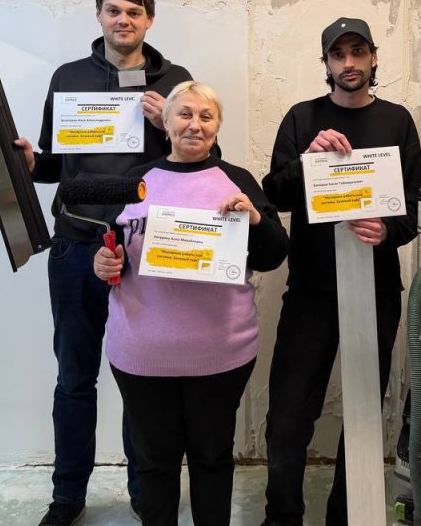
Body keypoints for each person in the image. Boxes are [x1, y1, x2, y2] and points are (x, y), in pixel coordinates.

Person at [14, 0, 196, 526]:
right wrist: (31, 163)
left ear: (149, 20)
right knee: (74, 378)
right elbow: (55, 165)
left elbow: (196, 159)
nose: (124, 20)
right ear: (98, 15)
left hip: (147, 248)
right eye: (114, 10)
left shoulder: (176, 81)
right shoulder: (68, 78)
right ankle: (67, 497)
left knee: (144, 380)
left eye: (134, 12)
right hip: (75, 245)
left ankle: (146, 493)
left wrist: (166, 123)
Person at [92, 81, 289, 526]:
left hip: (220, 355)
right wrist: (102, 263)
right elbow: (108, 252)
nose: (194, 125)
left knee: (212, 458)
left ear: (217, 126)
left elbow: (273, 255)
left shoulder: (238, 180)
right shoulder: (134, 182)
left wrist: (255, 220)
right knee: (153, 462)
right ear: (165, 122)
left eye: (205, 116)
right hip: (142, 354)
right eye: (184, 114)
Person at [260, 17, 421, 526]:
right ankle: (281, 516)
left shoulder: (397, 121)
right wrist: (306, 160)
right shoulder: (302, 118)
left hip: (375, 290)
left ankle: (347, 517)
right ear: (326, 63)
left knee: (363, 416)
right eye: (338, 55)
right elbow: (274, 195)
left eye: (358, 52)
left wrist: (387, 231)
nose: (349, 63)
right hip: (310, 290)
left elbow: (412, 208)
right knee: (288, 416)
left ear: (373, 57)